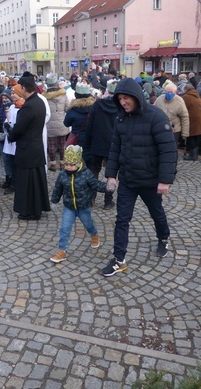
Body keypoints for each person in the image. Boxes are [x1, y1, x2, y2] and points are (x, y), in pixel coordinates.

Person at [101, 77, 177, 277]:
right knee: (122, 219)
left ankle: (163, 238)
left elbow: (168, 150)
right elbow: (115, 148)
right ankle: (119, 259)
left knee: (156, 212)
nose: (123, 102)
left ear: (135, 97)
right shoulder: (120, 119)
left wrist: (165, 179)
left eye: (127, 98)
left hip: (151, 180)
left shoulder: (156, 117)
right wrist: (111, 175)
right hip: (128, 179)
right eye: (120, 99)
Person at [50, 145, 108, 263]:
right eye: (66, 164)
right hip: (69, 207)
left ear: (77, 164)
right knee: (65, 228)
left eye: (71, 165)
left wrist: (107, 187)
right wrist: (54, 201)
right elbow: (57, 188)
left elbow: (96, 185)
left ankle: (94, 235)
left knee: (88, 224)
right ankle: (62, 250)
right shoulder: (62, 174)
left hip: (83, 207)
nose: (68, 167)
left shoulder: (86, 174)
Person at [6, 72, 50, 221]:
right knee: (36, 182)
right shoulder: (39, 102)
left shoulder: (28, 106)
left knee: (26, 183)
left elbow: (19, 129)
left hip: (27, 150)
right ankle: (37, 209)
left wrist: (9, 131)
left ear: (24, 88)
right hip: (36, 147)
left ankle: (28, 211)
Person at [86, 79, 119, 210]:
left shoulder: (97, 105)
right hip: (114, 145)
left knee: (94, 171)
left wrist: (88, 144)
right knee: (111, 174)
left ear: (107, 90)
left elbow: (89, 125)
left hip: (97, 143)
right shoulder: (121, 107)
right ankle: (108, 201)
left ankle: (91, 198)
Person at [42, 73, 70, 172]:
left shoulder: (44, 97)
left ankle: (53, 163)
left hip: (50, 124)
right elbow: (67, 107)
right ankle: (62, 163)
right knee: (63, 144)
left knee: (51, 145)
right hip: (62, 123)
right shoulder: (63, 94)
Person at [64, 81, 95, 168]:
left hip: (77, 141)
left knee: (76, 165)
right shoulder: (94, 108)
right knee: (90, 166)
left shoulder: (72, 109)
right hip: (91, 140)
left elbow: (66, 123)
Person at [2, 84, 25, 193]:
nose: (12, 95)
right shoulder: (11, 107)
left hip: (18, 139)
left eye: (13, 93)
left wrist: (14, 129)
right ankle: (13, 182)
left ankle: (19, 183)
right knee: (11, 162)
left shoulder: (24, 107)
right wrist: (6, 124)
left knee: (18, 163)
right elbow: (8, 119)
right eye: (11, 93)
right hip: (10, 139)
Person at [154, 81, 189, 147]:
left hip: (174, 129)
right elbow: (154, 111)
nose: (169, 93)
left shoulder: (179, 101)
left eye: (171, 92)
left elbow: (184, 117)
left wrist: (185, 133)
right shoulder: (159, 99)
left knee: (172, 147)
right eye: (168, 92)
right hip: (161, 128)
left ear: (175, 92)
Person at [182, 83, 201, 161]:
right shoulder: (196, 95)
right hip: (198, 118)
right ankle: (195, 154)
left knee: (190, 135)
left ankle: (193, 155)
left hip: (191, 118)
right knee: (196, 136)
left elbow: (182, 108)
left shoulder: (186, 97)